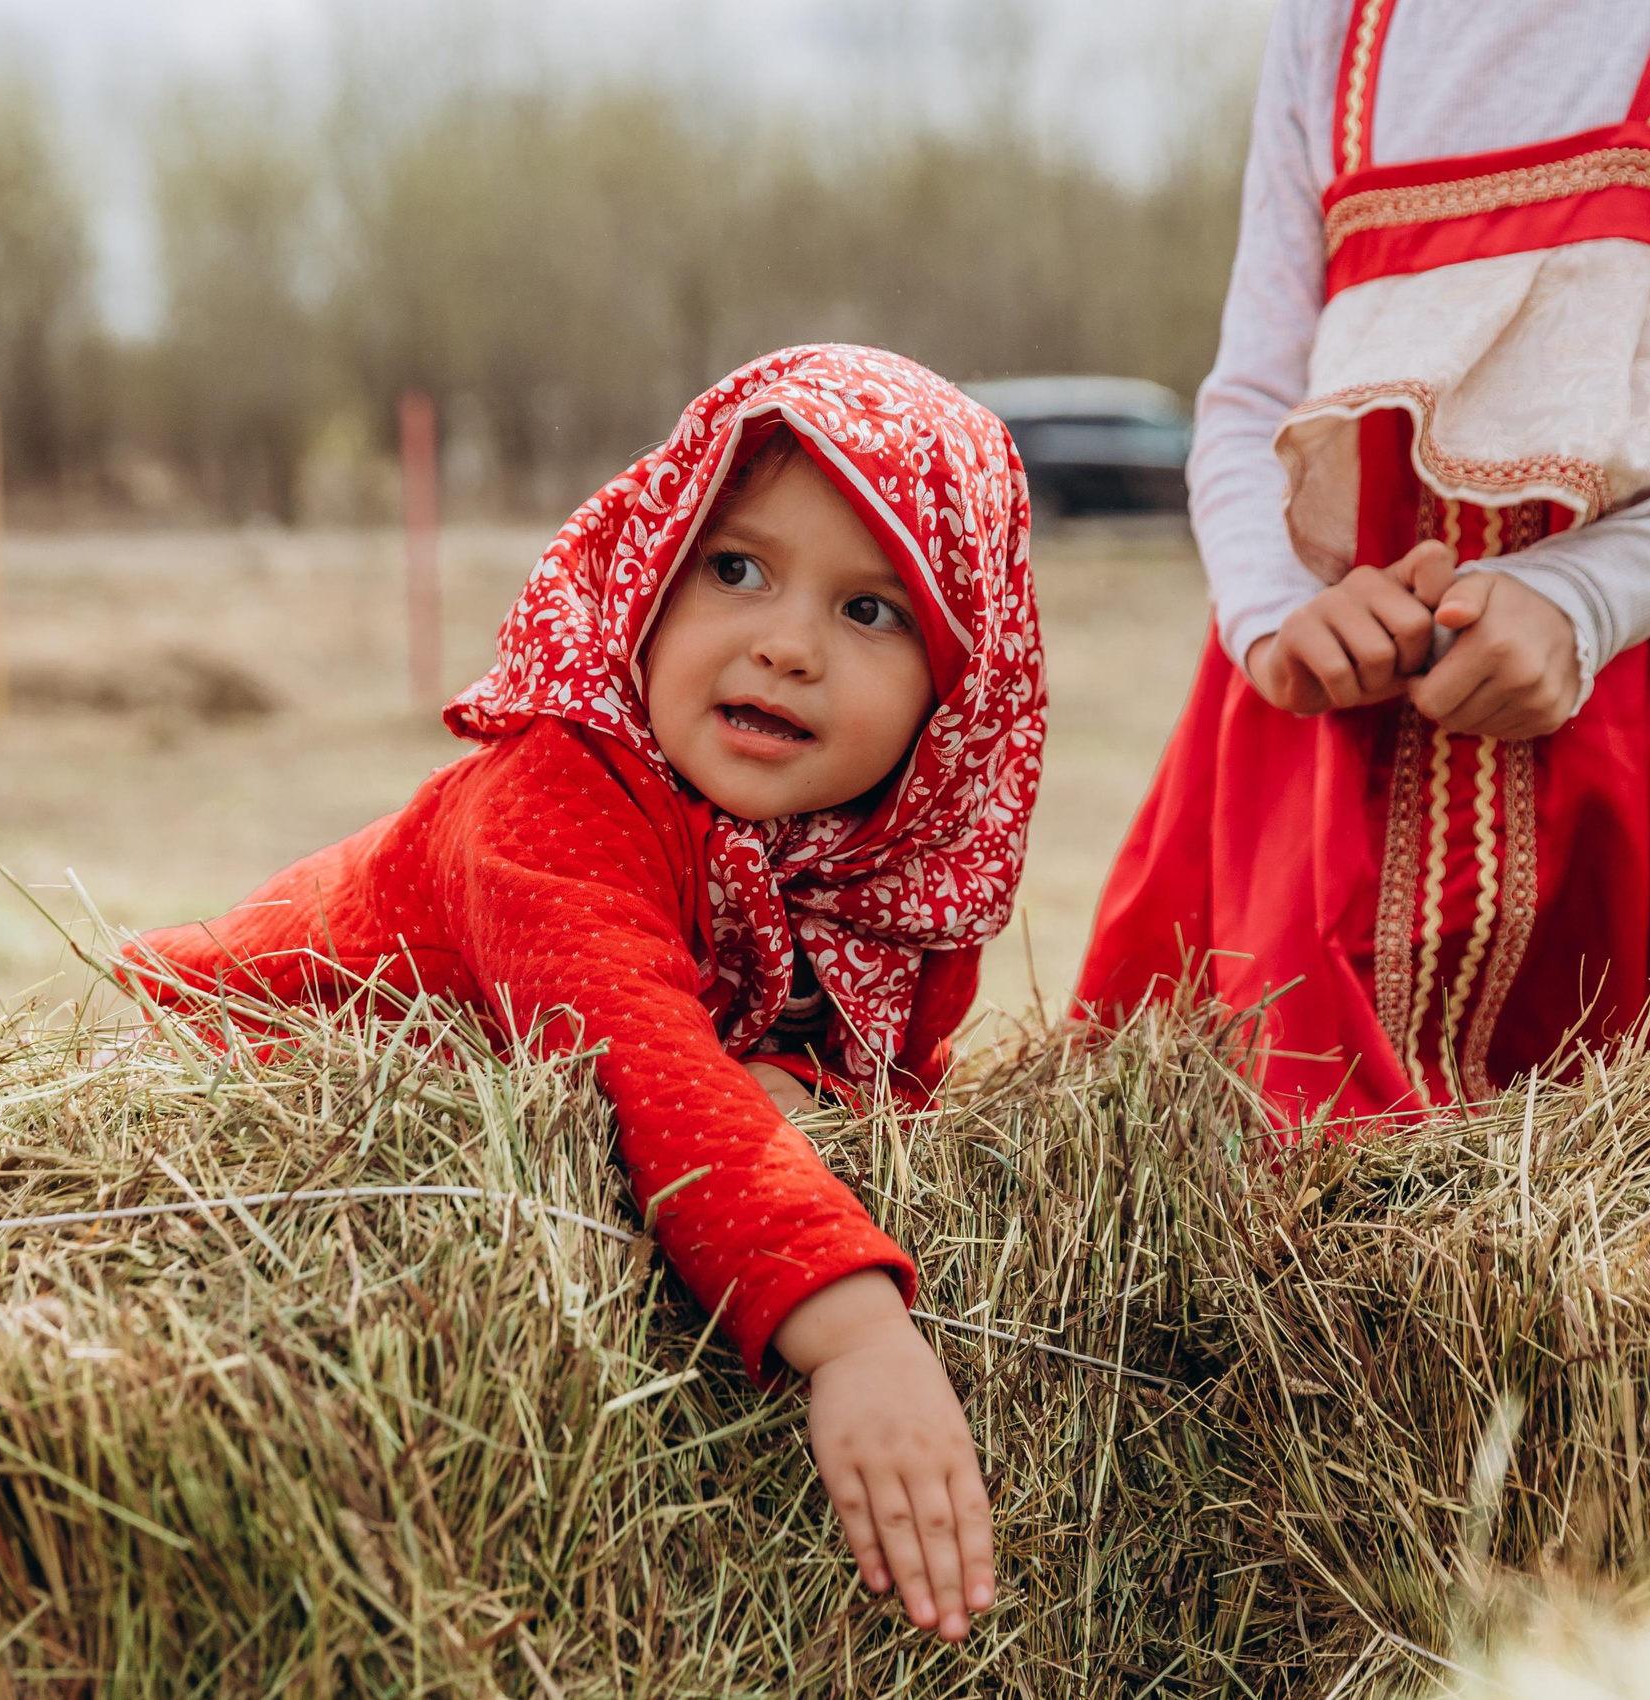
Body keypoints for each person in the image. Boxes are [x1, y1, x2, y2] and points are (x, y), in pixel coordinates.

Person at [126, 346, 1042, 1644]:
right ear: (652, 570)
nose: (786, 645)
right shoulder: (552, 798)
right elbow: (640, 1069)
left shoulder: (886, 885)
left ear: (955, 701)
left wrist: (807, 1087)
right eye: (737, 569)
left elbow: (879, 1078)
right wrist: (855, 1340)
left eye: (872, 611)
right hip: (255, 1099)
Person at [1079, 0, 1650, 1122]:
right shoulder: (1332, 21)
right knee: (1247, 1211)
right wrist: (1271, 611)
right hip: (1317, 749)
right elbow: (1253, 390)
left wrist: (1586, 594)